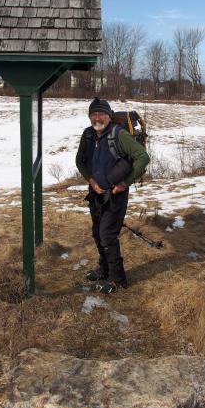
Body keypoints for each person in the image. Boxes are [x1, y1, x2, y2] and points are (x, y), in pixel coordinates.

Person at [76, 97, 150, 294]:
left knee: (107, 235)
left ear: (109, 116)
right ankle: (104, 268)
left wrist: (125, 184)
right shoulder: (88, 135)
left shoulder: (119, 135)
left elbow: (143, 157)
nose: (97, 117)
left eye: (101, 114)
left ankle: (117, 278)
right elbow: (79, 161)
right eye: (93, 114)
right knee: (97, 232)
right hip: (95, 194)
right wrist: (91, 181)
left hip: (115, 195)